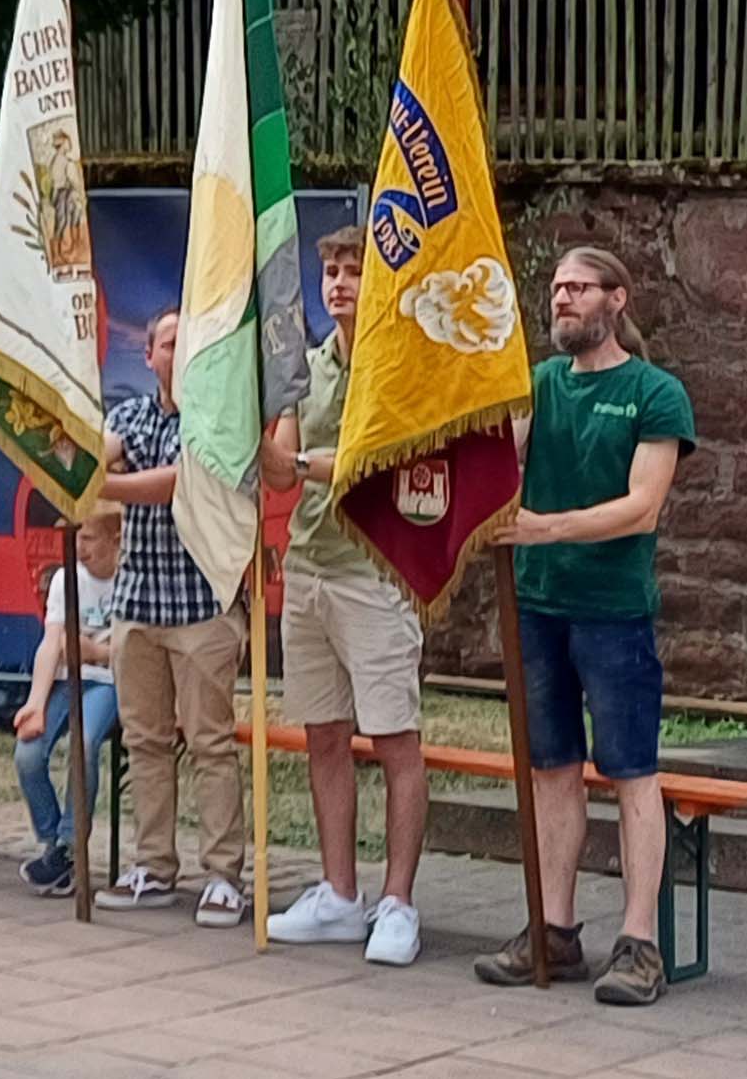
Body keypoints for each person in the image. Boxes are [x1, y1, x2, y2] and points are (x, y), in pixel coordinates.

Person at [476, 247, 696, 1007]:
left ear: (616, 299)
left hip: (613, 612)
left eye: (577, 288)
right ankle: (555, 929)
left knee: (632, 772)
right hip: (538, 606)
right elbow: (492, 458)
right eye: (556, 289)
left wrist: (547, 528)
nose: (562, 299)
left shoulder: (654, 393)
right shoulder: (535, 383)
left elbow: (643, 506)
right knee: (551, 770)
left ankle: (640, 944)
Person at [263, 225, 429, 965]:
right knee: (323, 735)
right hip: (309, 565)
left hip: (375, 570)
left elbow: (370, 462)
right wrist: (244, 427)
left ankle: (398, 901)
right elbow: (282, 472)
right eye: (330, 271)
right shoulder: (307, 364)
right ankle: (339, 893)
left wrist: (298, 458)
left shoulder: (401, 363)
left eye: (353, 271)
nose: (337, 284)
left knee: (395, 739)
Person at [97, 308, 248, 926]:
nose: (176, 352)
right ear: (150, 357)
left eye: (188, 344)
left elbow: (176, 484)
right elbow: (97, 454)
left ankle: (223, 876)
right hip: (136, 606)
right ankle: (153, 867)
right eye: (166, 343)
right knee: (145, 743)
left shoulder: (218, 422)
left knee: (211, 744)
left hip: (201, 607)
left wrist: (100, 486)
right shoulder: (129, 415)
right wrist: (84, 464)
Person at [12, 510, 121, 895]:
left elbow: (136, 648)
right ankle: (55, 847)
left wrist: (95, 652)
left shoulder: (131, 579)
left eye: (88, 538)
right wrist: (36, 702)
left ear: (116, 539)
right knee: (27, 753)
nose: (79, 547)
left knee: (85, 743)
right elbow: (52, 643)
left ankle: (69, 849)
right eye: (75, 538)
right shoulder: (65, 578)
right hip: (65, 679)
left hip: (110, 683)